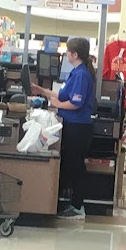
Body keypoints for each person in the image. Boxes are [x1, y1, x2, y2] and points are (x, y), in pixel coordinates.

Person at [44, 36, 95, 219]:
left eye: (67, 51)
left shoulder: (81, 75)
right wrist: (42, 91)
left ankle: (77, 206)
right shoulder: (76, 73)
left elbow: (75, 103)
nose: (66, 54)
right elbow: (63, 94)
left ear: (74, 54)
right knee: (70, 163)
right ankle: (67, 203)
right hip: (72, 125)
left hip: (78, 127)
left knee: (75, 166)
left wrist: (57, 104)